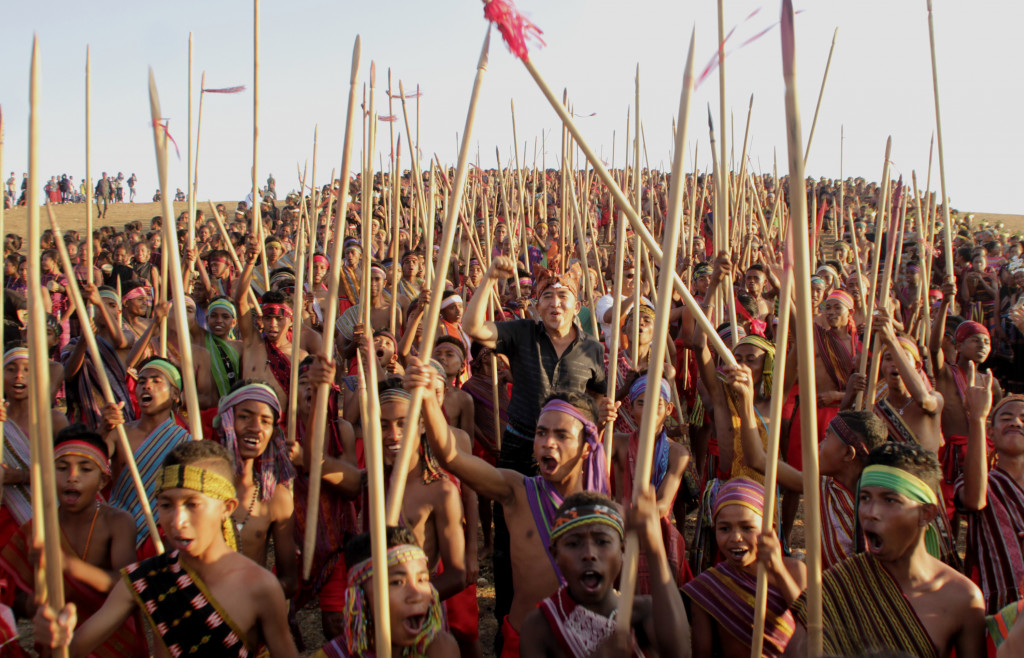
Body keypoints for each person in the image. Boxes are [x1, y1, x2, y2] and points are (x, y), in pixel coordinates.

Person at [413, 350, 612, 657]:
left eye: (561, 435)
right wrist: (427, 400)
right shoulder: (516, 491)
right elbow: (451, 457)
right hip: (522, 641)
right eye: (541, 433)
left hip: (581, 644)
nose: (547, 442)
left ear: (587, 446)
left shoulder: (602, 509)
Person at [33, 441, 299, 657]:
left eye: (192, 504)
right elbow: (74, 649)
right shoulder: (146, 579)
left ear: (226, 508)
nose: (176, 521)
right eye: (166, 505)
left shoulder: (260, 587)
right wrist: (56, 638)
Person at [789, 442, 986, 658]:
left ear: (926, 514)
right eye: (865, 498)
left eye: (890, 500)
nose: (871, 512)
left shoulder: (962, 599)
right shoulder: (834, 588)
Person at [0, 424, 148, 657]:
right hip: (57, 645)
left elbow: (126, 586)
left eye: (85, 469)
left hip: (110, 642)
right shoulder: (37, 529)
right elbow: (10, 595)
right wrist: (34, 604)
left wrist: (67, 565)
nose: (72, 478)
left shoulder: (118, 522)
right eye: (61, 468)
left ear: (103, 480)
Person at [518, 490, 692, 657]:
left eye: (602, 541)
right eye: (573, 544)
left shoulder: (644, 613)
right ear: (555, 554)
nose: (589, 554)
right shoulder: (541, 626)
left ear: (623, 550)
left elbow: (680, 653)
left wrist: (654, 546)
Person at [683, 478, 806, 657]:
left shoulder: (796, 571)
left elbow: (813, 627)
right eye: (724, 529)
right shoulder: (707, 588)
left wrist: (778, 570)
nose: (736, 538)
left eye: (747, 528)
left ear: (769, 530)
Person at [312, 527, 459, 658]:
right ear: (359, 597)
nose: (416, 594)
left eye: (422, 580)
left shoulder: (440, 650)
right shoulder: (334, 655)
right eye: (397, 582)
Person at [214, 381, 298, 601]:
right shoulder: (202, 487)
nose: (255, 427)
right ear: (226, 421)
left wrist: (251, 604)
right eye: (244, 416)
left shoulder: (276, 497)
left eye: (265, 421)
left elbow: (289, 581)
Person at [104, 357, 192, 556]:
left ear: (175, 394)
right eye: (141, 381)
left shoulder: (185, 442)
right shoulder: (119, 433)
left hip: (158, 539)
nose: (146, 386)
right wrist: (102, 431)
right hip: (117, 531)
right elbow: (93, 462)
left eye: (156, 380)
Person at [955, 368, 1024, 614]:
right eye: (1006, 417)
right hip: (1000, 613)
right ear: (991, 432)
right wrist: (977, 418)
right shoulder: (981, 482)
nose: (1016, 422)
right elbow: (974, 500)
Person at [1, 346, 70, 547]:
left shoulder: (53, 420)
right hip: (6, 520)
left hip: (46, 515)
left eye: (27, 369)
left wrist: (21, 476)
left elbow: (68, 473)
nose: (19, 376)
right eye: (11, 369)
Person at [235, 238, 308, 411]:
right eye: (268, 318)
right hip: (245, 425)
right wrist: (250, 263)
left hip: (280, 429)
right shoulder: (252, 344)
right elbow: (240, 301)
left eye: (279, 318)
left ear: (290, 320)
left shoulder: (300, 357)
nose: (272, 324)